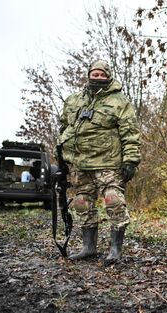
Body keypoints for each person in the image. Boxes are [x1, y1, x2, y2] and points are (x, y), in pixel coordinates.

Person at [59, 59, 141, 264]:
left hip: (108, 163)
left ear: (108, 76)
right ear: (88, 75)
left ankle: (115, 250)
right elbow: (64, 129)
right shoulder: (73, 100)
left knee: (113, 201)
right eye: (94, 74)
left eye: (101, 74)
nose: (97, 77)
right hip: (80, 164)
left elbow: (130, 132)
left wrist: (130, 159)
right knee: (81, 203)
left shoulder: (119, 101)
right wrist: (62, 155)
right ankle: (88, 248)